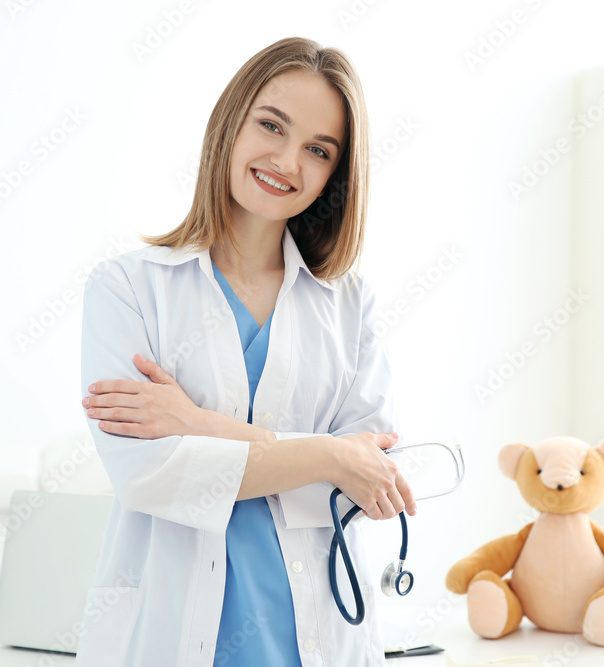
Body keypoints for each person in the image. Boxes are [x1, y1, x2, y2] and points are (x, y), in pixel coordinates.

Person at [75, 36, 416, 667]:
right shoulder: (129, 288)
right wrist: (327, 456)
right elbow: (150, 476)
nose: (288, 160)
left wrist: (199, 426)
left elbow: (366, 490)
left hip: (315, 640)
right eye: (271, 125)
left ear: (336, 175)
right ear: (231, 123)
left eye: (319, 150)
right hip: (173, 639)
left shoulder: (350, 304)